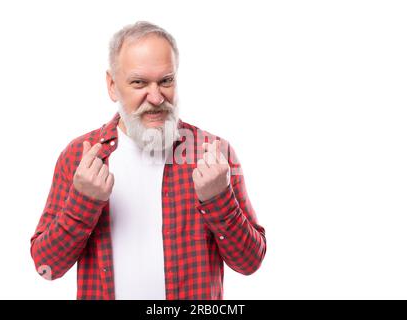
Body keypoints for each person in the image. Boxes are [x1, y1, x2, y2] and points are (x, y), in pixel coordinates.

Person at [30, 21, 266, 300]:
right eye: (139, 82)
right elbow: (47, 267)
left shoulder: (215, 154)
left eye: (166, 81)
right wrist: (84, 201)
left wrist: (218, 200)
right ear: (112, 86)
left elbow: (250, 263)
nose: (155, 97)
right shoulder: (80, 158)